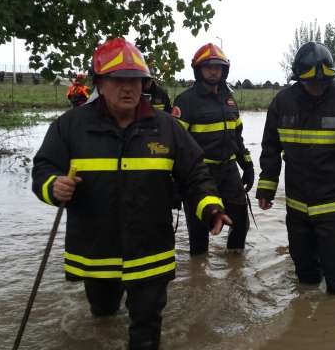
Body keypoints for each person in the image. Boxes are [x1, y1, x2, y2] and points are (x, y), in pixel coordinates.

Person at [31, 38, 231, 350]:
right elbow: (43, 167)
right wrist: (53, 186)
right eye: (118, 80)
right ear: (99, 83)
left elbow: (195, 174)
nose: (128, 89)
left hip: (150, 251)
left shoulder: (167, 128)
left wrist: (211, 208)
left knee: (146, 333)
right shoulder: (70, 126)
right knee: (103, 315)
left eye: (135, 81)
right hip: (96, 251)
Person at [255, 42, 335, 294]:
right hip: (296, 205)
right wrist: (266, 188)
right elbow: (270, 148)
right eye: (312, 83)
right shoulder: (282, 103)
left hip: (333, 206)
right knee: (305, 273)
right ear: (298, 79)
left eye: (324, 82)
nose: (317, 87)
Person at [173, 43, 254, 255]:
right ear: (198, 70)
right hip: (199, 174)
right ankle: (199, 276)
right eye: (208, 66)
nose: (213, 70)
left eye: (217, 66)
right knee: (199, 231)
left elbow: (237, 136)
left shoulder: (229, 100)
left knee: (240, 221)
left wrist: (247, 164)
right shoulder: (186, 101)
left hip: (229, 171)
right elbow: (176, 145)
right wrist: (174, 180)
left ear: (224, 70)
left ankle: (235, 268)